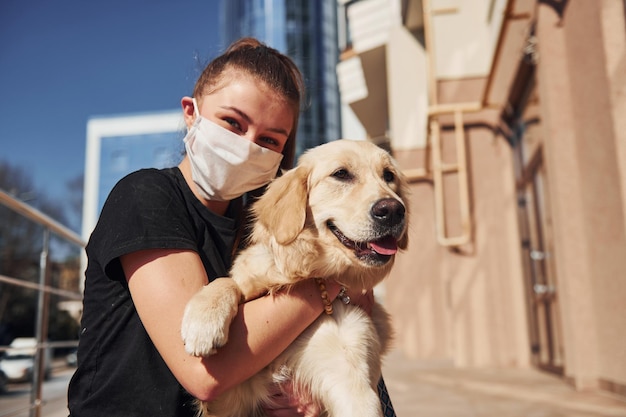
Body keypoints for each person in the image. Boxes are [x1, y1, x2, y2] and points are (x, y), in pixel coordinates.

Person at [67, 37, 374, 417]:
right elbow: (204, 374)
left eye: (268, 140)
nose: (246, 146)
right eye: (232, 122)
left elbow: (358, 300)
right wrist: (327, 286)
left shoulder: (256, 224)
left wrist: (306, 390)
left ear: (279, 157)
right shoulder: (146, 196)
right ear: (191, 112)